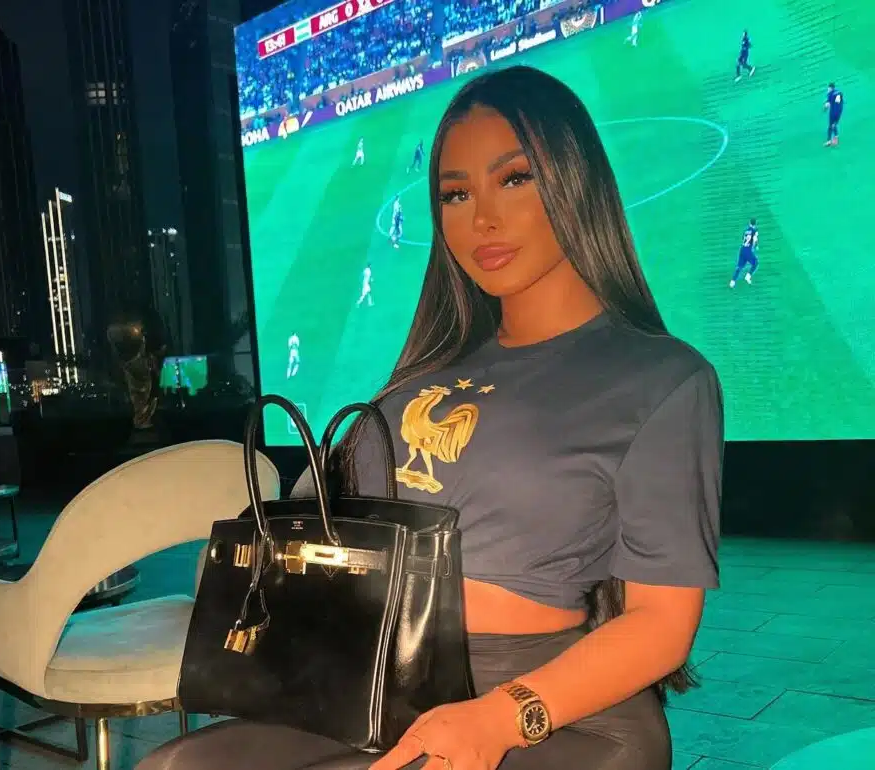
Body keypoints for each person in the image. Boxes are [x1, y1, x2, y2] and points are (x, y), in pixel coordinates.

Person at [139, 66, 722, 770]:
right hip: (367, 682)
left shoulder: (661, 379)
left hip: (545, 706)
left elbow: (661, 623)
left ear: (576, 182)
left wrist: (499, 719)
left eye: (514, 179)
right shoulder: (421, 377)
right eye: (455, 193)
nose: (482, 219)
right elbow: (316, 530)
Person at [730, 218, 759, 288]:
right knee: (755, 263)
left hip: (742, 249)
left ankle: (732, 282)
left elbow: (743, 239)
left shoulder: (745, 231)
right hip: (748, 251)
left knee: (739, 267)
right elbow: (755, 240)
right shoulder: (754, 230)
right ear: (755, 224)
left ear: (749, 223)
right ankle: (748, 276)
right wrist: (756, 246)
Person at [824, 82, 843, 147]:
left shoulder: (830, 94)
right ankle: (836, 139)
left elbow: (827, 105)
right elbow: (838, 101)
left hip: (833, 112)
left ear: (830, 88)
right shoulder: (839, 92)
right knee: (834, 125)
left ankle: (829, 141)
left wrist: (825, 109)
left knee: (830, 126)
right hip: (839, 111)